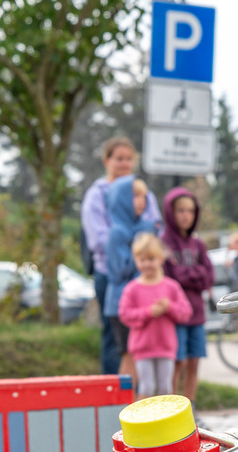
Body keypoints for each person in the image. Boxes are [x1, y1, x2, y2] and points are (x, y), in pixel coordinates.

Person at [81, 137, 160, 375]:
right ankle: (113, 389)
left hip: (144, 276)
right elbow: (99, 239)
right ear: (107, 160)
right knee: (116, 340)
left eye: (128, 159)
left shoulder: (142, 190)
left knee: (142, 341)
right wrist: (133, 248)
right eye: (119, 158)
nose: (124, 163)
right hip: (110, 274)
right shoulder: (97, 194)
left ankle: (140, 392)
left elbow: (154, 227)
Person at [118, 234, 193, 399]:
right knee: (146, 386)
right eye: (142, 260)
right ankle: (144, 416)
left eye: (151, 259)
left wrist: (169, 307)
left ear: (160, 259)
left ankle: (166, 416)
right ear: (136, 260)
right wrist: (148, 312)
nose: (146, 264)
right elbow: (124, 314)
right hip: (142, 348)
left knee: (166, 387)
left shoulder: (171, 287)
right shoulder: (132, 289)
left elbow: (186, 312)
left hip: (166, 347)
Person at [160, 187, 215, 404]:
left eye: (190, 211)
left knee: (194, 362)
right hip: (175, 316)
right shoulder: (163, 243)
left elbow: (208, 277)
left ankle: (189, 410)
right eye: (181, 210)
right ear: (170, 212)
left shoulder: (198, 244)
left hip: (197, 314)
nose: (186, 216)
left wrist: (186, 274)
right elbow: (169, 278)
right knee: (177, 363)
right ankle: (172, 410)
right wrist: (195, 273)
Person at [104, 175, 159, 379]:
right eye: (134, 196)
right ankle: (125, 398)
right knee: (129, 356)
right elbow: (120, 270)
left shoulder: (146, 227)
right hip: (122, 304)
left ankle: (137, 396)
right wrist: (142, 253)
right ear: (121, 199)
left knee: (141, 356)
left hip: (142, 303)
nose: (141, 201)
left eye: (143, 196)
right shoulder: (117, 232)